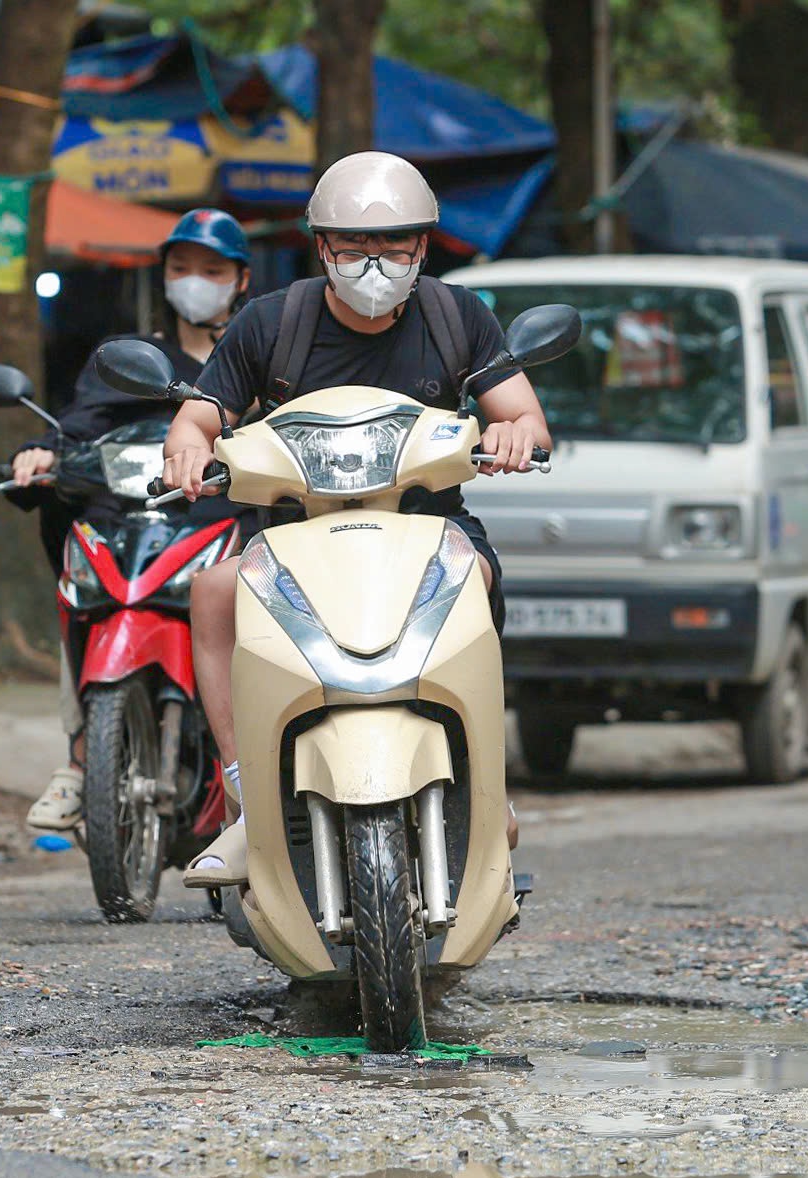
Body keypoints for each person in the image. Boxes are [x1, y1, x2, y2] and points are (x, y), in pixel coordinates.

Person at [161, 152, 552, 885]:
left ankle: (483, 779)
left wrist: (513, 434)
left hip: (428, 524)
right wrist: (186, 451)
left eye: (394, 246)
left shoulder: (455, 315)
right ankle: (246, 799)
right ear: (320, 247)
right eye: (352, 246)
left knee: (482, 579)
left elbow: (526, 414)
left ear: (422, 249)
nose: (373, 263)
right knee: (212, 593)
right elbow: (196, 418)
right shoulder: (268, 323)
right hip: (291, 531)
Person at [12, 208, 253, 831]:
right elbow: (82, 423)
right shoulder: (133, 357)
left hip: (231, 523)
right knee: (77, 586)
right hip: (139, 523)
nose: (194, 280)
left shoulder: (256, 351)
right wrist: (44, 453)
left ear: (241, 279)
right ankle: (78, 758)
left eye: (211, 269)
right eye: (181, 268)